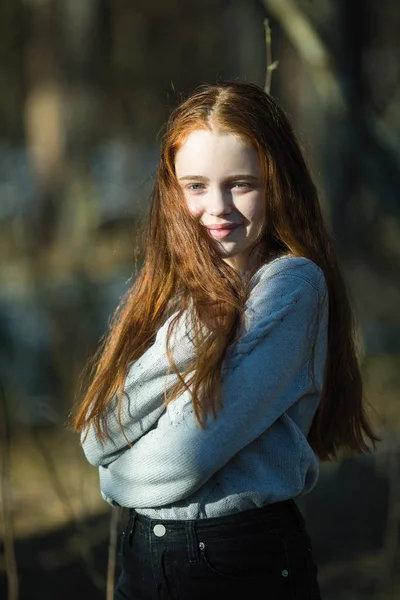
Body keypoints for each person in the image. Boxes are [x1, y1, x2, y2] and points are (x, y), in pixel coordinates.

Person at [71, 81, 379, 600]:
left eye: (241, 184)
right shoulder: (170, 290)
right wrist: (197, 335)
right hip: (144, 557)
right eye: (195, 185)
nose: (217, 208)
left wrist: (115, 480)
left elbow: (182, 458)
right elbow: (97, 433)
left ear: (278, 182)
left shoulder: (291, 287)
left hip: (239, 560)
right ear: (172, 189)